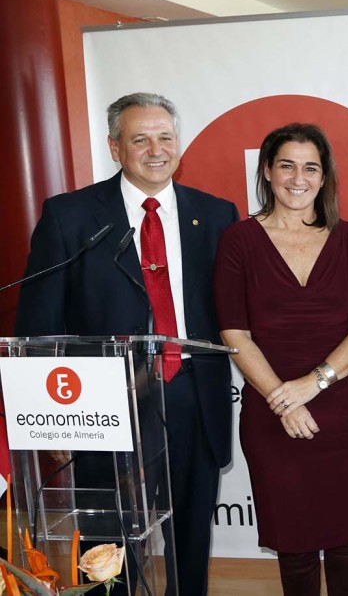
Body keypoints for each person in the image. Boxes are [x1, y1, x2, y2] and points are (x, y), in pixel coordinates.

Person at [15, 92, 239, 596]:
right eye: (140, 139)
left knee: (190, 539)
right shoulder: (69, 216)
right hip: (104, 405)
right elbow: (39, 322)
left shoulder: (216, 214)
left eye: (165, 137)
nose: (156, 150)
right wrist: (49, 417)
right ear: (115, 147)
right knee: (108, 547)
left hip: (193, 395)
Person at [214, 123, 348, 595]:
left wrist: (314, 382)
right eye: (287, 165)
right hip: (274, 413)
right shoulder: (238, 241)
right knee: (295, 545)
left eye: (311, 168)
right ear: (268, 171)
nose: (298, 178)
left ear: (324, 176)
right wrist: (283, 400)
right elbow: (234, 333)